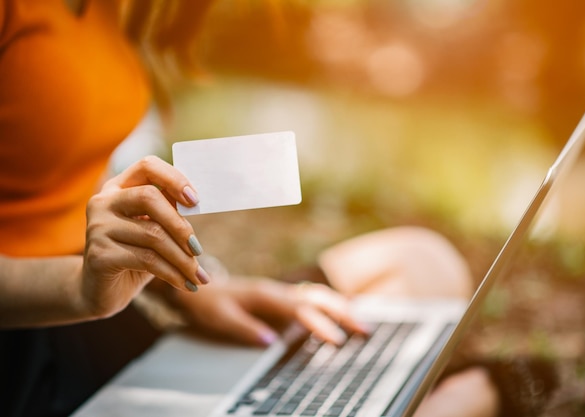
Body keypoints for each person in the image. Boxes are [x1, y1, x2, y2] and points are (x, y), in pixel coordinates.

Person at [0, 1, 555, 417]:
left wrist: (196, 285)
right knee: (467, 393)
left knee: (418, 264)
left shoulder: (105, 8)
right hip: (29, 349)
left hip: (99, 318)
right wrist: (77, 289)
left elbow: (54, 164)